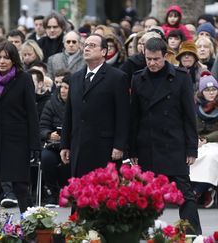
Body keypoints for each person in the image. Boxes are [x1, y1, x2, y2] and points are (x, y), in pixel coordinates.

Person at [129, 37, 202, 234]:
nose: (151, 63)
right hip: (147, 145)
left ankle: (193, 233)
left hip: (174, 144)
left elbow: (189, 115)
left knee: (185, 194)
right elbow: (133, 117)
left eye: (156, 59)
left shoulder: (180, 77)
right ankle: (144, 231)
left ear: (165, 56)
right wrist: (133, 149)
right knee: (145, 194)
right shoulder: (138, 78)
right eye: (148, 59)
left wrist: (191, 148)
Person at [60, 33, 130, 178]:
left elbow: (123, 115)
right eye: (85, 45)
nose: (86, 48)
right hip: (78, 145)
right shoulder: (75, 78)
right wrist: (65, 144)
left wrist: (119, 145)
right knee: (79, 193)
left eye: (92, 46)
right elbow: (69, 113)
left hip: (104, 147)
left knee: (103, 194)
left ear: (104, 51)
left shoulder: (117, 77)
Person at [0, 41, 41, 213]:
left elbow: (32, 113)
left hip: (16, 140)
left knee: (21, 187)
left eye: (6, 58)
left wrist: (34, 145)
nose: (2, 61)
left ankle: (29, 225)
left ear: (14, 60)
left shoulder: (24, 79)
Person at [40, 75, 71, 205]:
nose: (63, 90)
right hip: (53, 145)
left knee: (69, 160)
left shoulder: (79, 104)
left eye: (66, 88)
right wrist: (49, 134)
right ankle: (53, 192)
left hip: (71, 145)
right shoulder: (51, 103)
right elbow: (42, 127)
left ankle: (67, 192)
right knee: (46, 158)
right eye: (61, 87)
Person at [190, 72, 218, 208]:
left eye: (214, 89)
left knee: (211, 156)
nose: (211, 93)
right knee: (193, 154)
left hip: (214, 142)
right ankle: (205, 191)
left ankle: (197, 191)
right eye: (207, 90)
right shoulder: (194, 106)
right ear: (201, 92)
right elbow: (189, 125)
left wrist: (206, 139)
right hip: (198, 141)